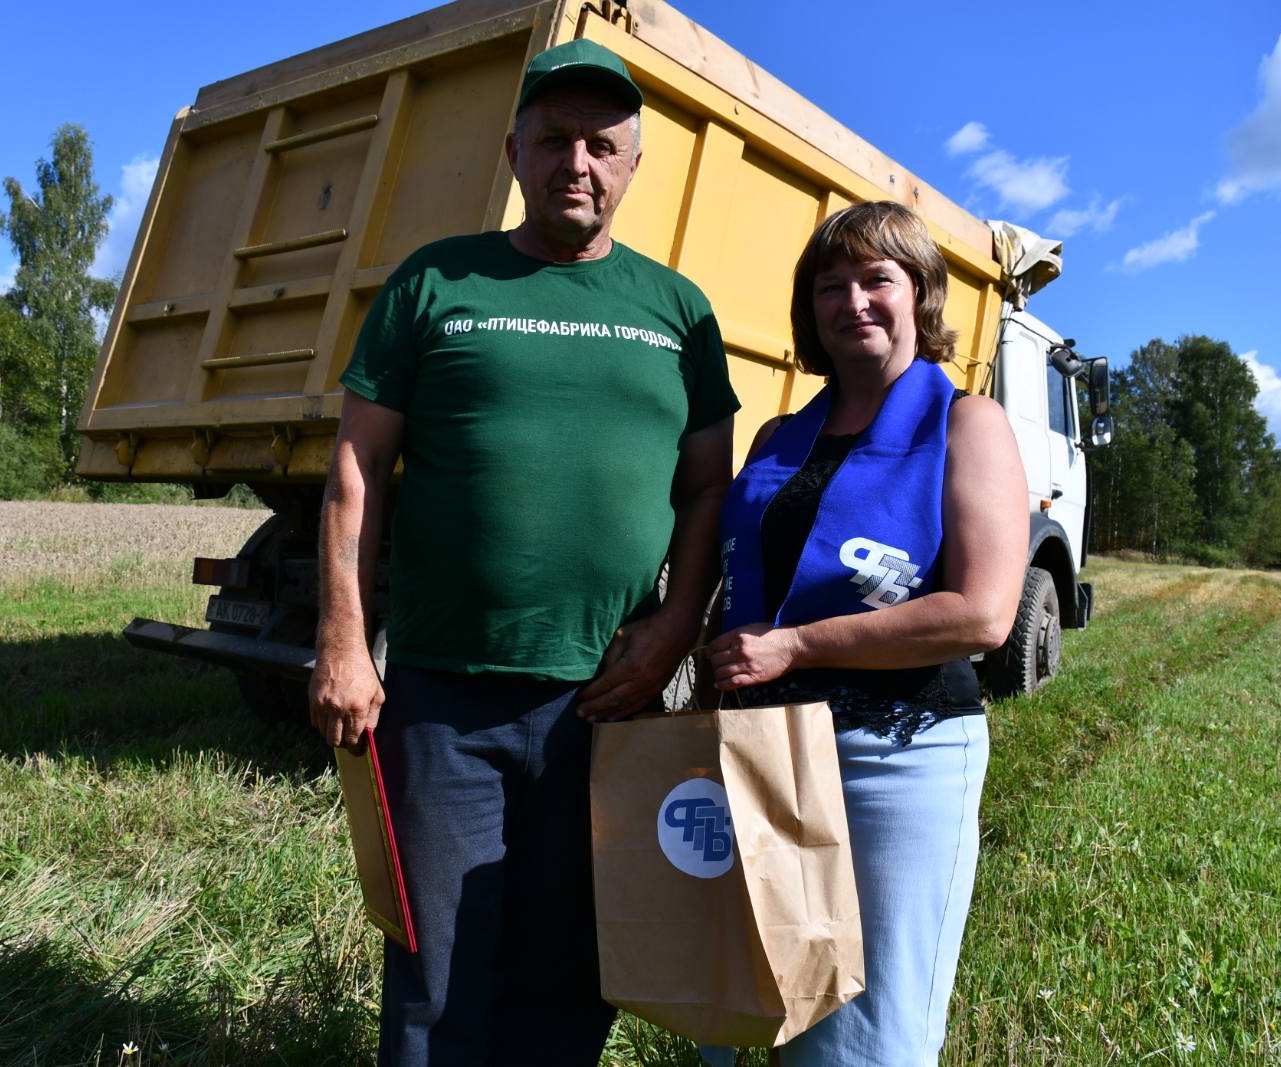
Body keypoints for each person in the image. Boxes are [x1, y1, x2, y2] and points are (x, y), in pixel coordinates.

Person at [308, 39, 739, 1067]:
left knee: (575, 958)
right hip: (444, 695)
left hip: (608, 698)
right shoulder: (435, 282)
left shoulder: (677, 312)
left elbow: (708, 487)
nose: (575, 163)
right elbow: (356, 470)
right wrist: (342, 640)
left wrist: (674, 626)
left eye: (601, 144)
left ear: (633, 165)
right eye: (553, 141)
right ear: (513, 152)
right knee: (437, 964)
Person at [703, 201, 1027, 1067]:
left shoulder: (967, 425)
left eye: (878, 279)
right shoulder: (778, 437)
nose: (854, 301)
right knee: (770, 1000)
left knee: (866, 1029)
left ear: (920, 295)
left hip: (897, 753)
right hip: (768, 749)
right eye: (830, 285)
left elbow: (985, 614)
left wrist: (797, 647)